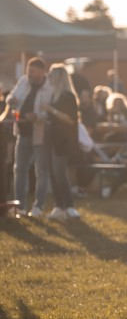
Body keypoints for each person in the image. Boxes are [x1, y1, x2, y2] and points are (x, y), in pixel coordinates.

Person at [7, 58, 53, 216]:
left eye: (32, 71)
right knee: (19, 170)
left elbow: (51, 111)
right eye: (28, 71)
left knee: (41, 171)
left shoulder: (49, 87)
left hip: (40, 133)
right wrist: (11, 99)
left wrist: (38, 116)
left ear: (42, 72)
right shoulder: (23, 81)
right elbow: (12, 95)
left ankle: (38, 206)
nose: (29, 74)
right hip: (22, 132)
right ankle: (20, 206)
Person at [44, 64, 81, 220]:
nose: (49, 76)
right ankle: (59, 206)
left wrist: (51, 110)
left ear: (59, 77)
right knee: (53, 173)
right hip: (51, 138)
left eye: (52, 74)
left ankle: (70, 206)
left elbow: (70, 119)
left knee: (59, 172)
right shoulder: (53, 95)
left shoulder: (67, 96)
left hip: (63, 140)